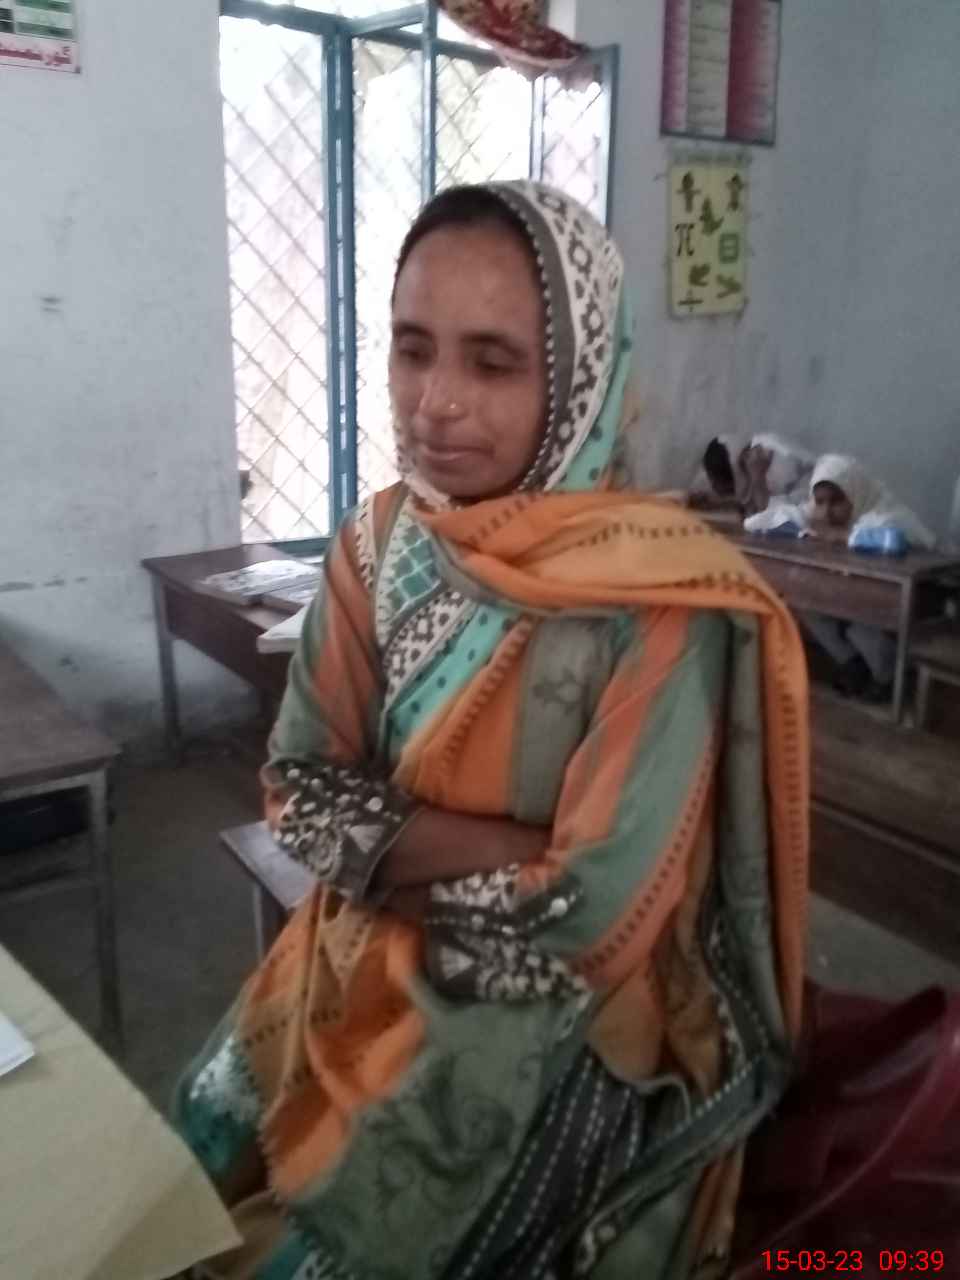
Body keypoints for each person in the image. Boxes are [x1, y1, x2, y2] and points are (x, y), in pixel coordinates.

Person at [174, 182, 809, 1280]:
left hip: (556, 1025)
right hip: (343, 963)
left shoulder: (659, 600)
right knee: (179, 1185)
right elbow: (296, 786)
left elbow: (592, 917)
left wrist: (383, 855)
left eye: (494, 362)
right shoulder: (378, 544)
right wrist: (520, 849)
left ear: (578, 377)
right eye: (412, 348)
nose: (437, 403)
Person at [750, 453, 937, 701]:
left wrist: (843, 535)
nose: (826, 511)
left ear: (854, 493)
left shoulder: (887, 513)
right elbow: (760, 522)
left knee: (860, 622)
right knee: (809, 606)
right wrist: (803, 526)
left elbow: (892, 540)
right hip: (860, 589)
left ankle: (886, 677)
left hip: (916, 598)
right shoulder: (819, 512)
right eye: (820, 502)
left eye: (837, 501)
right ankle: (853, 664)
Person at [689, 434, 814, 517]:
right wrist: (717, 504)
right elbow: (747, 500)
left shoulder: (779, 463)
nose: (713, 486)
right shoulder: (732, 455)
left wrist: (758, 475)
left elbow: (767, 515)